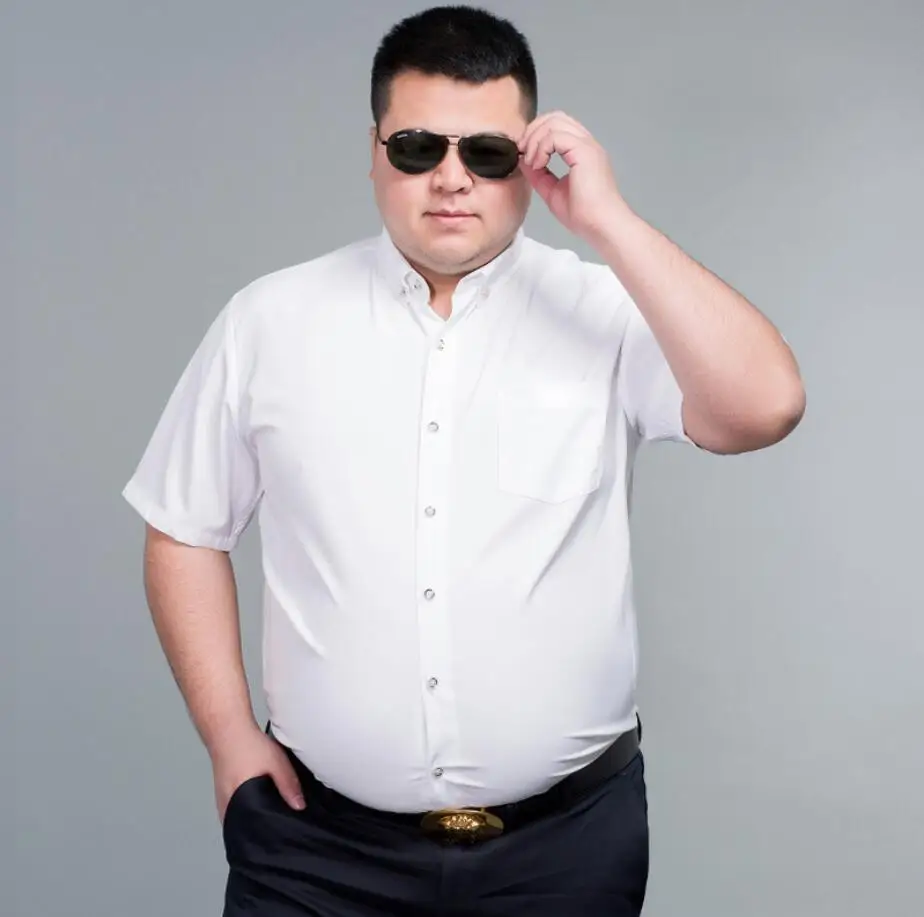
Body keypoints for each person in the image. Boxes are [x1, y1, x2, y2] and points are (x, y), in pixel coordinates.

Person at [122, 6, 805, 916]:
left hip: (564, 853)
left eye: (487, 153)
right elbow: (183, 527)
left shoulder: (607, 311)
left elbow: (764, 406)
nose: (451, 179)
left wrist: (607, 219)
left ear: (529, 159)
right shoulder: (269, 321)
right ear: (374, 151)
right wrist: (227, 736)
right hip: (317, 849)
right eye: (417, 148)